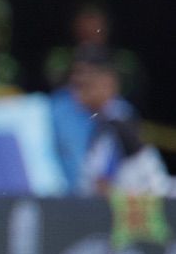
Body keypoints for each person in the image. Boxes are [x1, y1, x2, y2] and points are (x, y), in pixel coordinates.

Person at [70, 46, 170, 196]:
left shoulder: (116, 121)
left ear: (107, 83)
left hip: (148, 205)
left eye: (85, 86)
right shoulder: (107, 118)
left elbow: (102, 185)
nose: (77, 93)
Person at [42, 0, 147, 107]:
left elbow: (133, 91)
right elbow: (53, 85)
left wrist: (102, 77)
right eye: (85, 30)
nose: (90, 31)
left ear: (106, 27)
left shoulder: (123, 59)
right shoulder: (61, 56)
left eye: (96, 29)